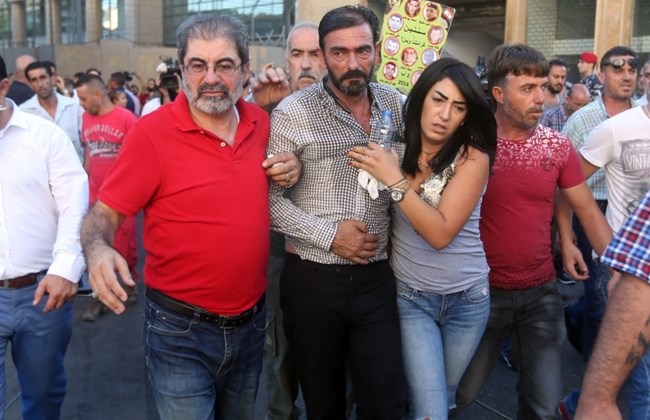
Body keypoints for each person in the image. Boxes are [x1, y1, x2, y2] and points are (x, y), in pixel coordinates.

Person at [80, 13, 300, 419]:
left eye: (225, 65)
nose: (211, 77)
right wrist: (96, 251)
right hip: (178, 332)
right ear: (182, 72)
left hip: (251, 326)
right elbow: (104, 213)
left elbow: (287, 177)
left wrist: (294, 167)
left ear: (245, 71)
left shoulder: (264, 125)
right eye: (198, 65)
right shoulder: (150, 135)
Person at [452, 44, 612, 419]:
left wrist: (620, 272)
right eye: (527, 89)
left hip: (541, 294)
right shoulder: (470, 144)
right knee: (457, 395)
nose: (541, 98)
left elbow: (587, 209)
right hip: (478, 294)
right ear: (498, 93)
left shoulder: (556, 146)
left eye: (543, 87)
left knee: (541, 406)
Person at [268, 5, 408, 419]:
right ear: (323, 54)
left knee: (386, 402)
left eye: (362, 51)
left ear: (378, 50)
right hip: (313, 282)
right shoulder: (293, 112)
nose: (352, 63)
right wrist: (332, 236)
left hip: (378, 279)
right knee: (323, 403)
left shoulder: (395, 106)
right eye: (339, 52)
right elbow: (270, 202)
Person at [348, 57, 497, 418]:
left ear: (467, 115)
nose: (444, 114)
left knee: (439, 401)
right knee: (430, 409)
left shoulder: (471, 156)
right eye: (438, 99)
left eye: (458, 107)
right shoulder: (394, 149)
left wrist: (393, 179)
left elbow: (440, 233)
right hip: (412, 299)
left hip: (468, 299)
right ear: (419, 99)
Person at [558, 68, 650, 419]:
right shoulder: (613, 128)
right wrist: (566, 239)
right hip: (620, 263)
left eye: (631, 67)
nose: (625, 76)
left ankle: (578, 402)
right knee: (639, 376)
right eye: (619, 69)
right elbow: (570, 184)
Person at [0, 54, 88, 420]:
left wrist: (66, 268)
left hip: (41, 294)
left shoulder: (44, 137)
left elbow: (74, 205)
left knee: (43, 399)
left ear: (4, 87)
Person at [250, 21, 328, 420]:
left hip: (339, 258)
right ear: (286, 61)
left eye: (315, 54)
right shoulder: (268, 107)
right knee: (277, 349)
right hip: (279, 253)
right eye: (298, 55)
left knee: (335, 358)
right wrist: (260, 105)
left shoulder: (354, 108)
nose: (307, 64)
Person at [575, 190, 650, 420]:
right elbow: (643, 268)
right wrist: (597, 400)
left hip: (626, 274)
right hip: (618, 264)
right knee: (646, 388)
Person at [75, 74, 138, 322]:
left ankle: (130, 283)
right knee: (96, 246)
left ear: (98, 94)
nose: (80, 103)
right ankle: (98, 298)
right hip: (94, 195)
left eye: (82, 98)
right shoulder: (85, 118)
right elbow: (89, 151)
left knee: (126, 249)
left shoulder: (127, 119)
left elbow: (138, 159)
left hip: (122, 197)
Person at [20, 61, 84, 162]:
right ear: (30, 84)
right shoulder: (24, 112)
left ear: (53, 79)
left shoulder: (73, 106)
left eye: (43, 77)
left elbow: (86, 142)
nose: (40, 84)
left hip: (76, 171)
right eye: (34, 80)